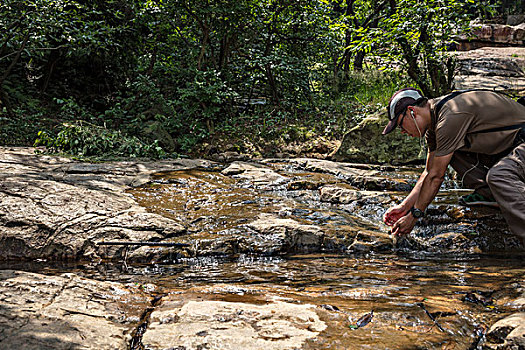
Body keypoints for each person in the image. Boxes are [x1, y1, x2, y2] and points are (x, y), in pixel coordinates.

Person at [382, 87, 525, 239]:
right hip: (510, 147)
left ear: (412, 111)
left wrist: (414, 216)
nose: (402, 132)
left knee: (499, 176)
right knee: (449, 152)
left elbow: (436, 177)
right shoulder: (434, 126)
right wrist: (404, 207)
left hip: (521, 141)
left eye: (400, 124)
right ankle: (489, 194)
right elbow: (429, 172)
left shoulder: (450, 116)